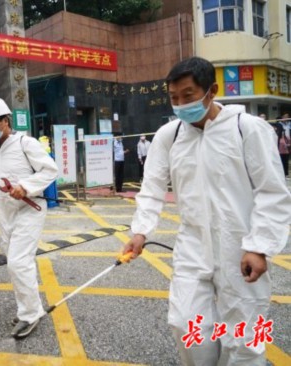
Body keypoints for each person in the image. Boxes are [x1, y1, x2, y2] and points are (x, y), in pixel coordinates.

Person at [124, 57, 291, 365]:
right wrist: (140, 231)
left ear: (211, 91)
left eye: (188, 96)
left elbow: (272, 192)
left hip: (239, 247)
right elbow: (152, 188)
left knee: (243, 337)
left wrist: (259, 246)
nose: (180, 105)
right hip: (192, 247)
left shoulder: (247, 129)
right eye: (174, 98)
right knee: (186, 323)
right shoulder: (170, 135)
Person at [0, 97, 58, 339]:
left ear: (5, 120)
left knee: (18, 262)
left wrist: (26, 186)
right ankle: (27, 309)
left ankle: (30, 314)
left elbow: (50, 170)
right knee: (15, 263)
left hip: (30, 210)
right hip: (5, 213)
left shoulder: (25, 143)